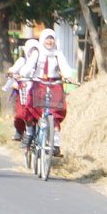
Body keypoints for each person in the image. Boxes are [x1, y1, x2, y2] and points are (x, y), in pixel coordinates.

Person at [20, 28, 76, 156]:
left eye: (52, 38)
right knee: (29, 108)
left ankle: (55, 144)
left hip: (54, 83)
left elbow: (64, 66)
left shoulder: (57, 53)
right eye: (47, 38)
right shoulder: (37, 52)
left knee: (55, 113)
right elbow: (29, 66)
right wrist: (22, 74)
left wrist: (68, 76)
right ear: (42, 40)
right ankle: (29, 134)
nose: (50, 41)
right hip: (39, 83)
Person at [5, 40, 39, 141]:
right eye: (31, 50)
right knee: (21, 113)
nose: (33, 52)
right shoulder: (22, 61)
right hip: (23, 90)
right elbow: (13, 69)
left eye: (35, 50)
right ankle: (19, 131)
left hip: (38, 91)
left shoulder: (41, 63)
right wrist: (12, 74)